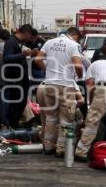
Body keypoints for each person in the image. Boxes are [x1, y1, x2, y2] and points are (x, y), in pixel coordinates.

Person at [35, 27, 83, 156]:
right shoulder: (74, 45)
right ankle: (61, 149)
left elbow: (37, 60)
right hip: (65, 85)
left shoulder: (49, 42)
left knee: (51, 117)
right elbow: (78, 65)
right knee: (66, 119)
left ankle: (48, 146)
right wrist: (79, 75)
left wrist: (47, 71)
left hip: (49, 84)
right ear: (76, 36)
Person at [2, 24, 34, 129]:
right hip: (14, 78)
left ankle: (14, 123)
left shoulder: (19, 42)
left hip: (21, 77)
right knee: (16, 102)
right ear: (26, 33)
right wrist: (23, 55)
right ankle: (11, 124)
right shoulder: (11, 41)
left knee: (21, 101)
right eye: (30, 35)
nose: (30, 38)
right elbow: (7, 58)